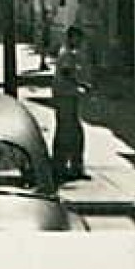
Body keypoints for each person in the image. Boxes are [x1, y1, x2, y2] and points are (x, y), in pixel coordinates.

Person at [51, 26, 90, 181]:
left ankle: (74, 166)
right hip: (65, 96)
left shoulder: (72, 54)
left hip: (70, 96)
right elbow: (66, 73)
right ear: (72, 38)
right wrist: (80, 84)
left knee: (74, 133)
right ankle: (61, 166)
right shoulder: (66, 54)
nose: (80, 42)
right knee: (67, 132)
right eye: (78, 38)